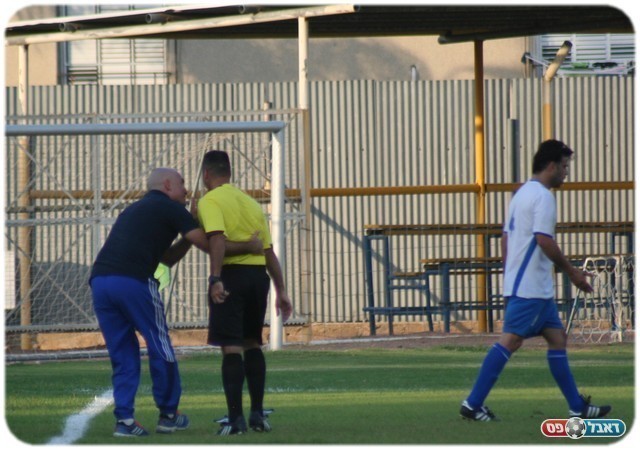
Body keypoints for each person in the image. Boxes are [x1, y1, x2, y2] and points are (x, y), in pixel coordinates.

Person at [90, 168, 262, 437]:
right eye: (182, 184)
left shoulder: (135, 209)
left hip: (100, 282)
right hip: (134, 282)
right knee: (160, 346)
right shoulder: (170, 207)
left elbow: (167, 259)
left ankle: (125, 421)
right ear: (168, 185)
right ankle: (169, 414)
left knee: (123, 353)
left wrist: (187, 234)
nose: (187, 191)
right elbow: (210, 245)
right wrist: (248, 247)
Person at [459, 140, 611, 421]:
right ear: (551, 166)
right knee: (510, 341)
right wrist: (573, 272)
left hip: (529, 286)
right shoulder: (543, 197)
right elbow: (544, 239)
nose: (566, 172)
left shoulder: (521, 194)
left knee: (557, 338)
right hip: (530, 289)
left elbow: (506, 238)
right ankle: (472, 403)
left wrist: (510, 273)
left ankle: (577, 407)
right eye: (564, 166)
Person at [197, 150, 293, 436]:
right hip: (258, 278)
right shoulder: (250, 203)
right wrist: (282, 291)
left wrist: (215, 278)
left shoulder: (210, 200)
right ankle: (257, 415)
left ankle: (235, 419)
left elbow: (217, 239)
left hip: (232, 277)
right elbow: (268, 251)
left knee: (231, 347)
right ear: (229, 172)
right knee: (252, 343)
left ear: (206, 175)